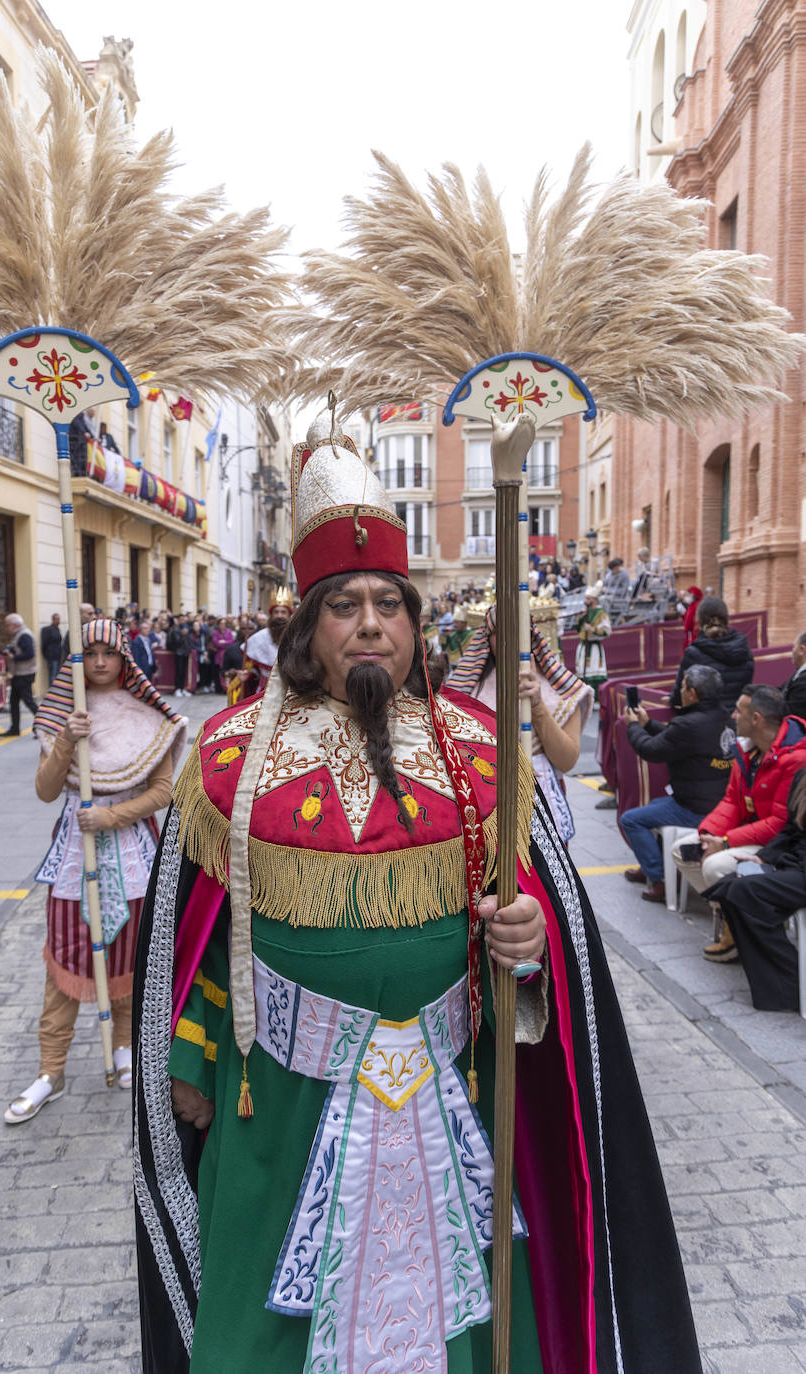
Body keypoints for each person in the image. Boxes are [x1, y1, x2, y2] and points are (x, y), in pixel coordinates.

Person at [133, 413, 702, 1374]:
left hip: (453, 1089)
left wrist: (528, 944)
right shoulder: (229, 756)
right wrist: (189, 1052)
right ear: (309, 626)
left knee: (460, 1327)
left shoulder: (481, 749)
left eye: (388, 603)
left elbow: (536, 940)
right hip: (276, 1098)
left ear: (413, 623)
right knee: (263, 1333)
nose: (368, 622)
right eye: (344, 603)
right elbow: (198, 935)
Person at [4, 619, 186, 1124]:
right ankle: (50, 1070)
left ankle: (125, 1049)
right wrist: (66, 741)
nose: (101, 662)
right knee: (63, 960)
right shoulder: (60, 714)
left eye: (110, 652)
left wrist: (109, 815)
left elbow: (163, 791)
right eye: (91, 652)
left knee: (130, 956)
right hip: (72, 857)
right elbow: (45, 790)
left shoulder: (149, 715)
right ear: (75, 660)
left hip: (131, 852)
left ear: (125, 659)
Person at [670, 684, 806, 961]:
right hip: (747, 834)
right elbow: (732, 801)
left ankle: (740, 925)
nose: (732, 716)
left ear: (756, 719)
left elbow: (780, 824)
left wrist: (726, 842)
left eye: (739, 710)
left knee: (715, 865)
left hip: (776, 845)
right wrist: (709, 833)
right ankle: (734, 919)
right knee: (683, 850)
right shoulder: (747, 749)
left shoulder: (796, 758)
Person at [449, 603, 593, 843]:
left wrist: (537, 706)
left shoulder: (562, 692)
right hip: (484, 808)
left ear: (531, 634)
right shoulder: (466, 691)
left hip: (542, 804)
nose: (509, 639)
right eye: (500, 632)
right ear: (488, 638)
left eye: (517, 630)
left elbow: (567, 761)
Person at [619, 665, 733, 902]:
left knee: (631, 820)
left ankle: (659, 879)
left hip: (694, 807)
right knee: (656, 805)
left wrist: (632, 726)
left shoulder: (689, 724)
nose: (679, 690)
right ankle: (654, 865)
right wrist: (648, 724)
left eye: (682, 686)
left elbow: (650, 749)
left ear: (692, 692)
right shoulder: (726, 717)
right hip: (718, 803)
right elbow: (677, 739)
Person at [702, 765, 806, 1012]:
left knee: (744, 891)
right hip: (795, 863)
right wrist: (763, 857)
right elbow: (790, 830)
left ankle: (790, 982)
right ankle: (782, 986)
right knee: (731, 885)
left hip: (800, 869)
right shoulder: (802, 775)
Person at [669, 595, 753, 713]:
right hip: (738, 723)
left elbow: (678, 697)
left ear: (699, 620)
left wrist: (670, 700)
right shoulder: (744, 648)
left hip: (706, 725)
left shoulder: (693, 653)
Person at [243, 589, 294, 693]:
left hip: (292, 691)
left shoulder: (299, 636)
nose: (279, 616)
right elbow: (252, 672)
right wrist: (246, 676)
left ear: (289, 615)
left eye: (283, 612)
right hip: (264, 692)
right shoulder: (259, 638)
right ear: (271, 615)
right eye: (276, 612)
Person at [1, 612, 37, 735]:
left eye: (7, 625)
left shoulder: (24, 635)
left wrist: (13, 657)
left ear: (15, 625)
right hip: (19, 673)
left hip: (24, 674)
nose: (6, 628)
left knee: (28, 701)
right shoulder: (18, 635)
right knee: (14, 701)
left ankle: (44, 728)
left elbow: (29, 654)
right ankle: (14, 728)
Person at [574, 582, 611, 700]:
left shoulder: (601, 613)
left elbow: (606, 632)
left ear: (594, 599)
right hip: (583, 646)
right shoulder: (586, 611)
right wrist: (579, 618)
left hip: (594, 648)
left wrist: (593, 629)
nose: (586, 600)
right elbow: (578, 629)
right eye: (586, 598)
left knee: (594, 672)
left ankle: (596, 700)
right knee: (581, 672)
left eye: (588, 598)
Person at [781, 630, 806, 718]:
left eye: (794, 647)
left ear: (802, 650)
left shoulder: (803, 681)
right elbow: (781, 689)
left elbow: (790, 712)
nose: (792, 652)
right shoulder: (799, 673)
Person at [167, 616, 193, 697]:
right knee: (179, 671)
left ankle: (182, 688)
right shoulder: (175, 630)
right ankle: (177, 688)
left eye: (183, 619)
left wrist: (189, 649)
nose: (182, 621)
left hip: (185, 653)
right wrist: (182, 635)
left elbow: (189, 641)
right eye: (181, 619)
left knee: (184, 672)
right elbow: (177, 643)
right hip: (178, 653)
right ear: (178, 620)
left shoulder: (187, 629)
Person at [40, 613, 64, 686]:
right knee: (52, 675)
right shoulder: (48, 630)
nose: (58, 621)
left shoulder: (57, 629)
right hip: (52, 656)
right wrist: (46, 655)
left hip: (58, 655)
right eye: (56, 619)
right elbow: (44, 643)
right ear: (53, 620)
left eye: (59, 619)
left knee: (57, 675)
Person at [682, 586, 704, 650]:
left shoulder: (694, 606)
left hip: (694, 635)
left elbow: (689, 625)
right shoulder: (696, 605)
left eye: (688, 595)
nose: (686, 597)